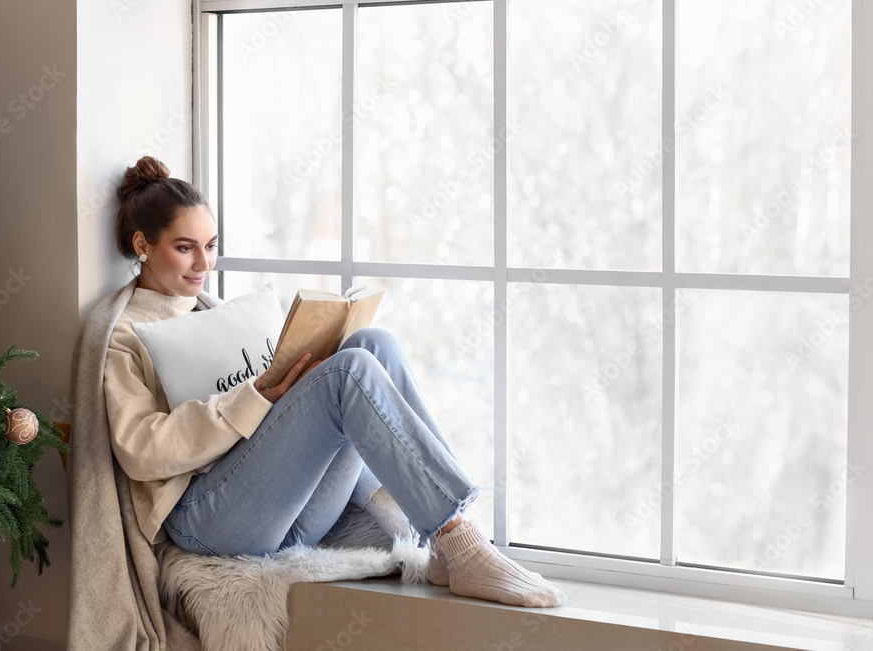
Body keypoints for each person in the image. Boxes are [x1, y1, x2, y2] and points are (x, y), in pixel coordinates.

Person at [104, 155, 564, 609]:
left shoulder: (215, 312)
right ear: (143, 244)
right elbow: (141, 451)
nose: (203, 262)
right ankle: (462, 546)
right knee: (348, 374)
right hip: (207, 520)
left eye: (211, 244)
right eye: (185, 247)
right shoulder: (124, 335)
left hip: (285, 514)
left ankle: (446, 539)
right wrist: (251, 398)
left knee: (372, 343)